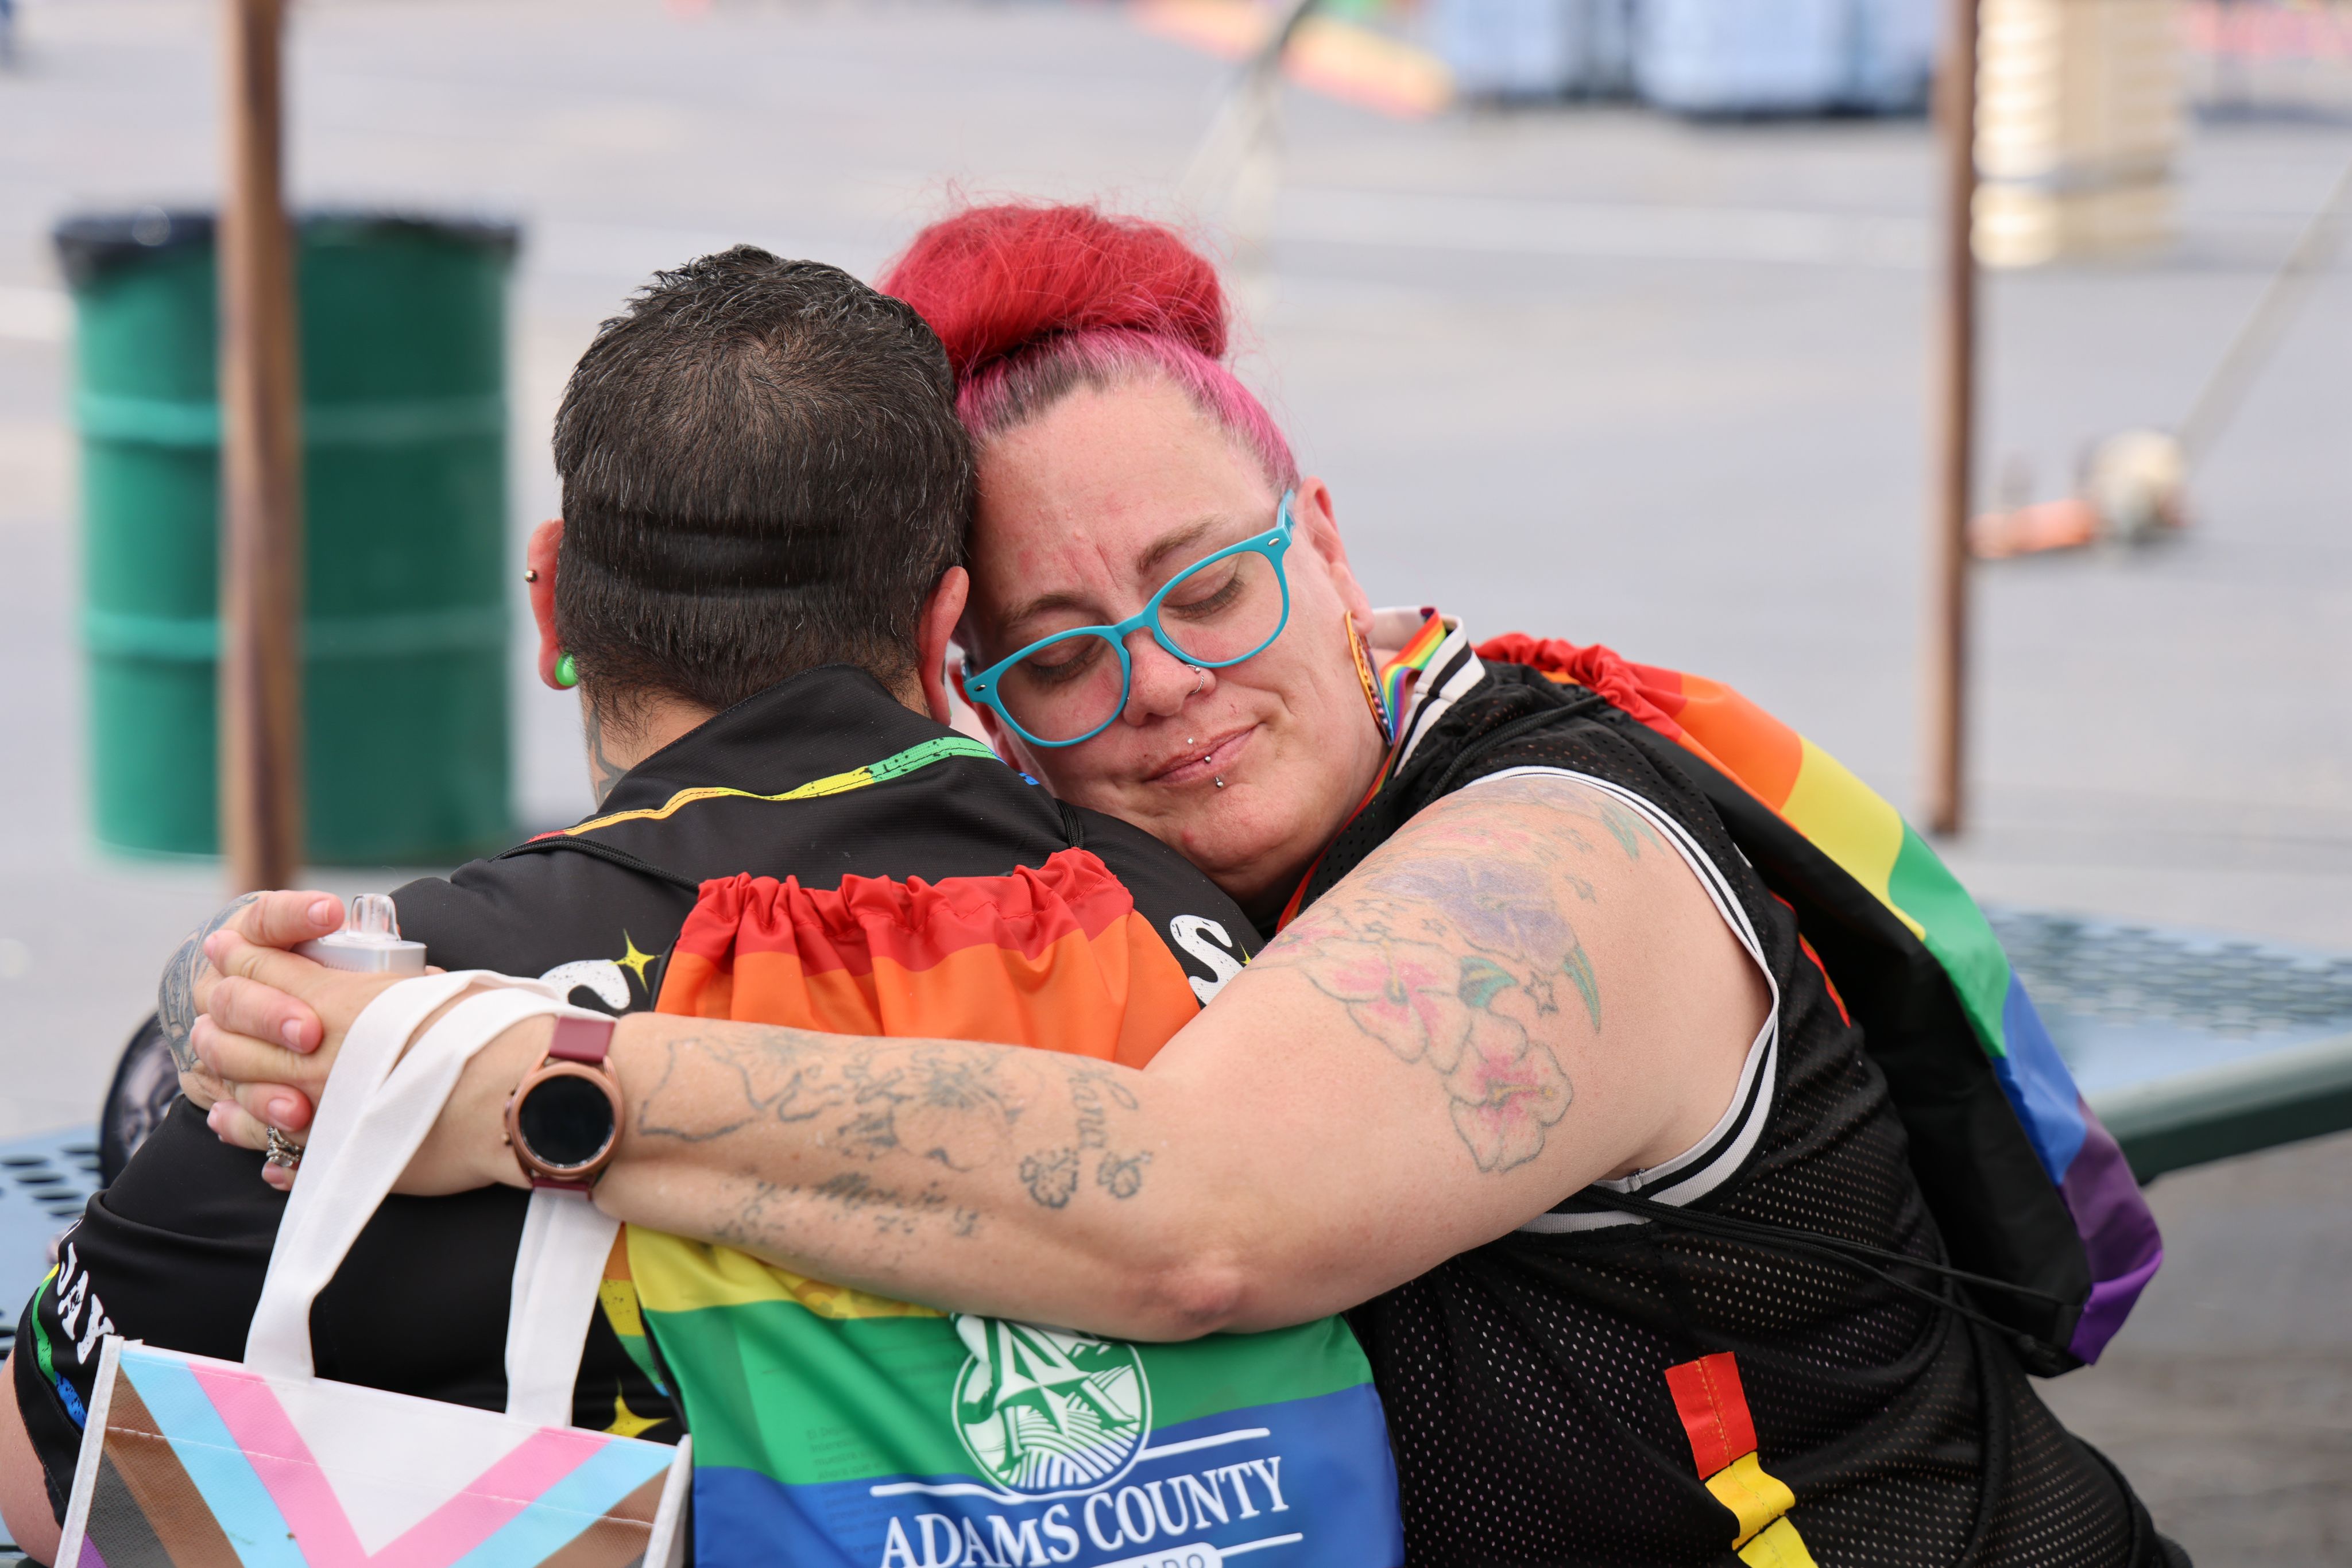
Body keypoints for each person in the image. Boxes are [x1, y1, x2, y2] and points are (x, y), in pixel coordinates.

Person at [188, 204, 2181, 1566]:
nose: (1162, 687)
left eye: (1208, 586)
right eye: (1061, 652)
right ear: (957, 679)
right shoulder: (1115, 896)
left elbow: (1199, 1216)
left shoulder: (1565, 851)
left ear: (1326, 539)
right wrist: (278, 1009)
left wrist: (506, 1077)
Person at [0, 247, 1271, 1565]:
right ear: (938, 627)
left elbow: (53, 1468)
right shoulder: (1176, 925)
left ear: (553, 600)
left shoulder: (391, 1018)